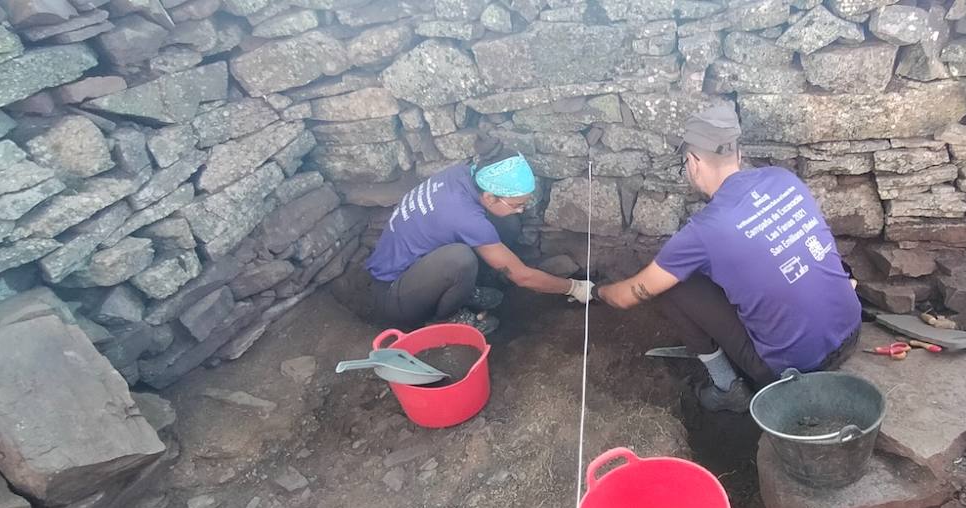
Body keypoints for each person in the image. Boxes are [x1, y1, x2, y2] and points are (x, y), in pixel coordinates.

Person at [597, 104, 862, 412]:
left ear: (694, 162)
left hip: (791, 369)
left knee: (675, 285)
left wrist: (595, 291)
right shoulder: (782, 179)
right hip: (851, 331)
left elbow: (627, 297)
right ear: (737, 153)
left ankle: (727, 387)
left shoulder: (703, 231)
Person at [359, 143, 595, 334]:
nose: (523, 209)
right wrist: (573, 287)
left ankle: (462, 289)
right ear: (491, 197)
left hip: (420, 270)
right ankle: (446, 319)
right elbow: (522, 276)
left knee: (507, 223)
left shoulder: (465, 175)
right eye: (517, 204)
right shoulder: (465, 217)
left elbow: (498, 220)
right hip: (393, 295)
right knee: (460, 259)